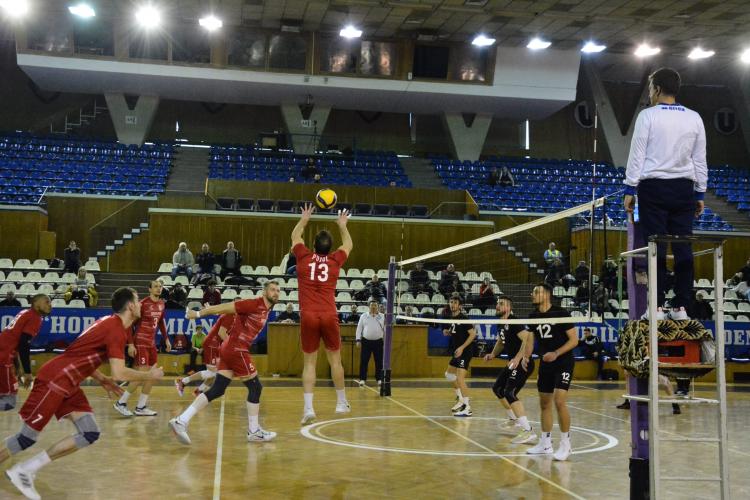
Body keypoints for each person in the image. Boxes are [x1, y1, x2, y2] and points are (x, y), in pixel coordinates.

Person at [0, 288, 164, 500]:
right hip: (55, 380)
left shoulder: (113, 326)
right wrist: (150, 375)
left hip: (69, 383)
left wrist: (100, 378)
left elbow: (80, 355)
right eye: (138, 302)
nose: (141, 305)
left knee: (89, 432)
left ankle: (27, 469)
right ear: (131, 306)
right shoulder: (114, 328)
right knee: (26, 437)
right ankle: (22, 470)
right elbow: (119, 372)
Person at [624, 67, 707, 321]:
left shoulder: (647, 116)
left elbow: (637, 155)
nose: (649, 93)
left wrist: (630, 188)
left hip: (654, 189)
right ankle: (681, 307)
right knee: (683, 249)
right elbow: (700, 158)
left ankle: (657, 307)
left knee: (656, 248)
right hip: (684, 189)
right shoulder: (694, 118)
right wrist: (700, 193)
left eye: (650, 88)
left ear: (657, 89)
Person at [170, 281, 281, 445]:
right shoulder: (253, 304)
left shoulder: (266, 309)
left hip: (229, 349)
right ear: (264, 292)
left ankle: (181, 420)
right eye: (272, 290)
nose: (276, 293)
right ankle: (254, 431)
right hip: (237, 349)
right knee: (256, 387)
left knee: (218, 389)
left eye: (278, 290)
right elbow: (223, 307)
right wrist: (198, 314)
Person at [291, 204, 353, 425]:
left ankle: (309, 408)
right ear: (330, 248)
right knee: (335, 360)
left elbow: (295, 236)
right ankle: (341, 402)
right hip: (328, 314)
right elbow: (348, 244)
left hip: (308, 314)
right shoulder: (336, 261)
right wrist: (342, 225)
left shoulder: (303, 257)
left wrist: (305, 218)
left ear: (314, 245)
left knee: (309, 363)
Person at [525, 283, 578, 461]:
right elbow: (530, 341)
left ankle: (566, 444)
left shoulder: (561, 313)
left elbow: (574, 340)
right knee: (544, 403)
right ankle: (545, 443)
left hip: (563, 361)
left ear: (547, 295)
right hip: (546, 362)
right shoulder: (533, 316)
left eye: (536, 292)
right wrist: (526, 357)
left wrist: (556, 353)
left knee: (559, 401)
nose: (533, 295)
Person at [113, 280, 171, 417]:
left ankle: (141, 407)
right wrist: (131, 344)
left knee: (152, 374)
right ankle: (121, 402)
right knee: (142, 375)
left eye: (160, 287)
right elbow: (129, 325)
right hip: (140, 342)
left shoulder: (162, 304)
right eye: (155, 286)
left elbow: (161, 322)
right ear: (149, 289)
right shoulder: (143, 304)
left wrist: (166, 338)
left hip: (151, 343)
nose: (158, 289)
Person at [483, 296, 536, 444]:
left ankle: (528, 431)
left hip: (523, 362)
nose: (497, 306)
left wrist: (518, 358)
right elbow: (501, 341)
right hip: (513, 363)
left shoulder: (514, 321)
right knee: (498, 388)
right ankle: (514, 419)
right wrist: (493, 354)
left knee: (509, 392)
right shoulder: (501, 323)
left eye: (501, 304)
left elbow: (528, 339)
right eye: (497, 304)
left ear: (509, 307)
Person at [0, 294, 51, 411]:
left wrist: (18, 367)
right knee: (9, 402)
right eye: (47, 302)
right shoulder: (35, 317)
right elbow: (23, 345)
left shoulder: (24, 313)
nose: (50, 305)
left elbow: (15, 342)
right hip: (2, 358)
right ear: (36, 303)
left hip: (4, 355)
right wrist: (28, 372)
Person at [176, 313, 232, 398]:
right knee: (212, 372)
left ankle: (199, 391)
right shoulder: (230, 316)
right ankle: (182, 382)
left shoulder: (235, 318)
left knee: (213, 374)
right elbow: (221, 333)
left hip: (216, 345)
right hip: (212, 344)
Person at [443, 293, 476, 417]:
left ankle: (467, 407)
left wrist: (462, 347)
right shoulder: (451, 318)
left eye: (455, 303)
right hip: (457, 351)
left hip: (465, 351)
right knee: (449, 374)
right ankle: (460, 399)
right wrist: (448, 332)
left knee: (460, 378)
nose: (452, 305)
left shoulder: (464, 318)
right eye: (451, 302)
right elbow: (457, 332)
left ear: (460, 306)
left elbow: (473, 334)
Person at [355, 300, 385, 387]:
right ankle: (362, 379)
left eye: (375, 305)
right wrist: (358, 340)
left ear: (378, 307)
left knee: (379, 361)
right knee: (364, 361)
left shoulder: (382, 316)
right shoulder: (364, 316)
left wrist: (387, 342)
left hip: (378, 342)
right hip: (366, 342)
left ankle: (379, 379)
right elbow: (359, 328)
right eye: (372, 305)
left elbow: (386, 329)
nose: (373, 307)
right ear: (369, 306)